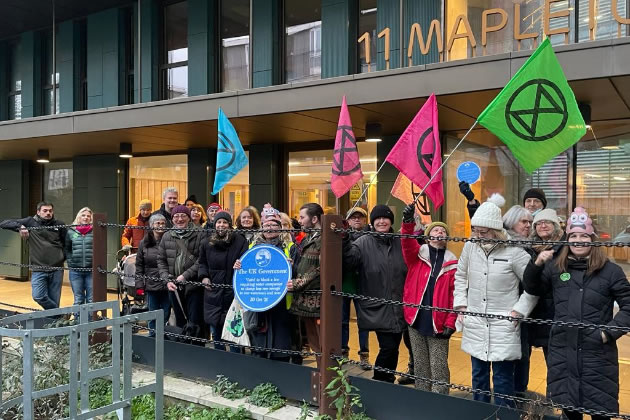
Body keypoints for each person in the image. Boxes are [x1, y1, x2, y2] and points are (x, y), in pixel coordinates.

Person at [523, 207, 630, 420]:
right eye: (573, 235)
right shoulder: (556, 268)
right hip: (563, 353)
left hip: (597, 357)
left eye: (584, 235)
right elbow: (533, 288)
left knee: (600, 412)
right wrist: (536, 264)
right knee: (569, 411)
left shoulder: (611, 271)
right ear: (567, 239)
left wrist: (608, 333)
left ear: (592, 238)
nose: (578, 240)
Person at [453, 194, 538, 407]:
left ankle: (504, 413)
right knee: (478, 375)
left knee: (502, 378)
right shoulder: (470, 248)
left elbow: (533, 286)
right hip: (475, 320)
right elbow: (460, 275)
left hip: (504, 323)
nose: (478, 235)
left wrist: (519, 311)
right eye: (475, 231)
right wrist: (461, 305)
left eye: (483, 231)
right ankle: (479, 411)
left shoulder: (515, 253)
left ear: (496, 230)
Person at [343, 204, 407, 383]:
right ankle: (381, 382)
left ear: (391, 221)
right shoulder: (363, 242)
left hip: (400, 305)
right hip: (378, 307)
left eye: (385, 218)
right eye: (377, 218)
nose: (381, 221)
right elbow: (349, 261)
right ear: (371, 222)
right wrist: (344, 241)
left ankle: (387, 380)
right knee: (388, 347)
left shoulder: (399, 241)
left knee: (393, 348)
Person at [401, 204, 458, 394]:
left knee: (439, 365)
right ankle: (422, 400)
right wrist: (408, 223)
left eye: (443, 230)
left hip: (439, 323)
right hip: (416, 319)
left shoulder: (453, 263)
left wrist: (452, 321)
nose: (440, 232)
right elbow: (407, 243)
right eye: (435, 229)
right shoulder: (417, 256)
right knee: (420, 364)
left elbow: (454, 296)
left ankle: (440, 404)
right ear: (427, 236)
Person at [236, 205, 298, 361]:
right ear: (262, 227)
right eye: (266, 225)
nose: (270, 228)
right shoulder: (252, 247)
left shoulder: (290, 247)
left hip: (282, 302)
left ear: (280, 228)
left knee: (281, 344)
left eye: (274, 225)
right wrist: (238, 266)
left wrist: (292, 267)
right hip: (259, 302)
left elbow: (299, 272)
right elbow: (245, 271)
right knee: (259, 342)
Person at [0, 201, 67, 309]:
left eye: (50, 210)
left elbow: (66, 244)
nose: (48, 213)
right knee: (38, 296)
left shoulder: (60, 225)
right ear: (38, 212)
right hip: (38, 268)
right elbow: (4, 223)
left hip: (56, 269)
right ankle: (58, 315)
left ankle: (54, 322)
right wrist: (20, 226)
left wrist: (62, 258)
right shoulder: (31, 222)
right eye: (45, 211)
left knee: (55, 298)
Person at [199, 211, 247, 350]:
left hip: (232, 291)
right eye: (219, 222)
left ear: (230, 225)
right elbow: (202, 263)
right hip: (213, 291)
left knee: (234, 332)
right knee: (216, 332)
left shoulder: (239, 241)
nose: (221, 225)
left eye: (225, 222)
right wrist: (204, 276)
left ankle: (236, 361)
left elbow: (244, 262)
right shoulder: (206, 242)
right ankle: (219, 362)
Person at [501, 205, 535, 394]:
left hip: (523, 308)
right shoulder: (502, 244)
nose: (528, 226)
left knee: (523, 351)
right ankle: (506, 391)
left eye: (530, 222)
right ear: (512, 221)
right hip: (503, 306)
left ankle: (519, 391)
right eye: (524, 221)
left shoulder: (529, 247)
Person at [159, 205, 206, 332]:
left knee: (195, 321)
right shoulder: (167, 236)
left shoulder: (199, 234)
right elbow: (161, 260)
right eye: (176, 216)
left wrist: (185, 276)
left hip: (193, 285)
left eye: (183, 216)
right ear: (172, 219)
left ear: (189, 218)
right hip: (174, 286)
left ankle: (197, 348)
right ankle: (182, 347)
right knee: (180, 320)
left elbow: (201, 260)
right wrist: (167, 280)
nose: (179, 219)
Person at [288, 203, 324, 354]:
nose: (300, 221)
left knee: (322, 341)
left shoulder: (325, 239)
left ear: (314, 218)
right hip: (305, 299)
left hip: (317, 299)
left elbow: (320, 268)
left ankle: (325, 374)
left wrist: (298, 283)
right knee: (313, 341)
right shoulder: (307, 237)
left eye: (302, 217)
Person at [341, 207, 370, 367]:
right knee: (342, 321)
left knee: (363, 321)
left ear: (365, 220)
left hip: (363, 282)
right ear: (348, 220)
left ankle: (364, 354)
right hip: (345, 281)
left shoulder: (371, 236)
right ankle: (343, 351)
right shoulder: (342, 236)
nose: (357, 220)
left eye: (360, 217)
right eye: (353, 217)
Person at [136, 213, 169, 336]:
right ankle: (152, 337)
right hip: (151, 284)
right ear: (151, 225)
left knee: (165, 313)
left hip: (167, 283)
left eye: (163, 223)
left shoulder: (169, 240)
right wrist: (139, 285)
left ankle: (161, 336)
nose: (160, 225)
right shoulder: (144, 243)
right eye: (157, 223)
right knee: (152, 313)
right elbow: (139, 265)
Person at [459, 183, 547, 219]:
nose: (532, 204)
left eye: (536, 201)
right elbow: (483, 223)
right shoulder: (514, 221)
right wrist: (471, 200)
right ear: (524, 204)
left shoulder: (550, 223)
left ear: (543, 204)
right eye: (528, 201)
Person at [65, 207, 94, 308]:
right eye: (83, 215)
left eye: (88, 216)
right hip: (75, 270)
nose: (85, 218)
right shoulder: (71, 231)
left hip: (91, 270)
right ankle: (78, 320)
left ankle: (90, 321)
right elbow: (67, 249)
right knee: (78, 299)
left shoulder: (95, 231)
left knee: (91, 299)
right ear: (79, 217)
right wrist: (70, 263)